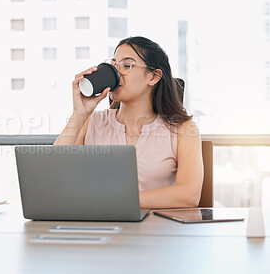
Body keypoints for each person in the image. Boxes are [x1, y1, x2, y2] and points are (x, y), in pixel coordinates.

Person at [54, 36, 203, 209]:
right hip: (98, 226)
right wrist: (79, 113)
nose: (116, 73)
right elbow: (53, 178)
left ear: (153, 77)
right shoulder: (89, 122)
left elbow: (189, 196)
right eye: (113, 64)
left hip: (155, 230)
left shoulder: (183, 129)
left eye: (126, 66)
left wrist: (116, 200)